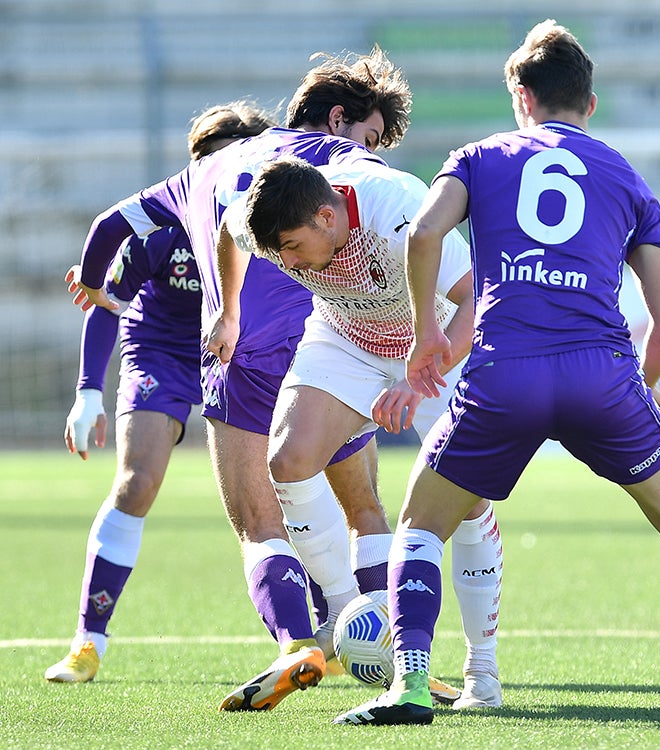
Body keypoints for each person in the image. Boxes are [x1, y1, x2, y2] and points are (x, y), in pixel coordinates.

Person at [332, 19, 660, 726]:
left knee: (417, 528)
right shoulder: (627, 178)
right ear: (589, 104)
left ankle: (411, 686)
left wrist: (426, 340)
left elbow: (422, 234)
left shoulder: (479, 157)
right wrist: (646, 382)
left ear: (521, 96)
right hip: (603, 378)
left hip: (505, 376)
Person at [63, 47, 464, 712]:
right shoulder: (319, 167)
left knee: (258, 518)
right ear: (338, 121)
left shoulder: (200, 176)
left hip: (241, 348)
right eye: (367, 133)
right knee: (366, 508)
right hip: (325, 344)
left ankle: (299, 642)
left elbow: (111, 227)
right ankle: (389, 653)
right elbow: (386, 189)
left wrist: (98, 282)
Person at [211, 154, 504, 711]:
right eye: (275, 252)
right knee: (290, 460)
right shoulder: (276, 223)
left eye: (292, 248)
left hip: (436, 343)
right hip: (348, 339)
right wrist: (229, 313)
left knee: (467, 500)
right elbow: (230, 228)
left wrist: (420, 380)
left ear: (328, 215)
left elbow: (476, 301)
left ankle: (481, 670)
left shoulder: (396, 211)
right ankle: (350, 618)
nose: (285, 262)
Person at [44, 101, 279, 684]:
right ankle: (87, 642)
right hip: (163, 350)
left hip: (237, 346)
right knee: (138, 479)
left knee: (282, 485)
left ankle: (317, 628)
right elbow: (104, 302)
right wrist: (87, 393)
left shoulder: (268, 216)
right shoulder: (161, 222)